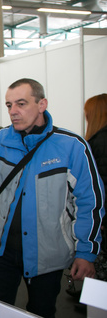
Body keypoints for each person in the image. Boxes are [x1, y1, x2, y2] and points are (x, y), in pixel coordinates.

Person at [0, 78, 105, 318]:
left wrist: (86, 252)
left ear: (42, 104)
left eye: (21, 103)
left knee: (42, 310)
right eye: (8, 105)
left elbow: (90, 202)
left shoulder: (72, 147)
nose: (13, 112)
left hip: (47, 254)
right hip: (1, 250)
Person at [84, 94, 107, 254]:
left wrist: (101, 218)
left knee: (98, 273)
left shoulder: (100, 142)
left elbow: (100, 184)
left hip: (102, 218)